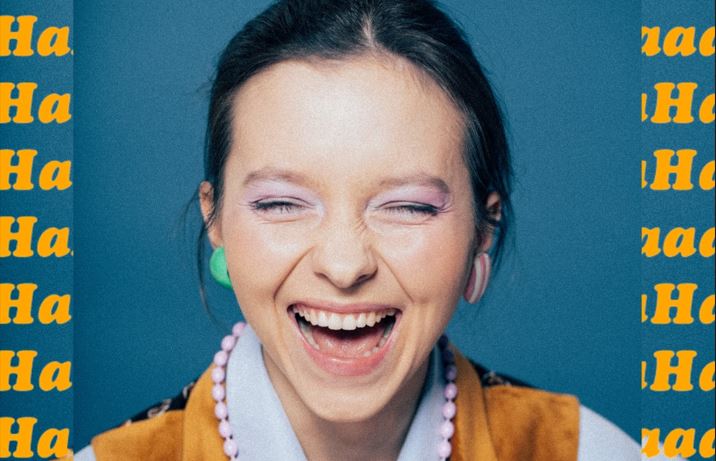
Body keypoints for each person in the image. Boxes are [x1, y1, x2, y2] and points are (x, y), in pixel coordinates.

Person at [72, 0, 654, 459]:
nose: (345, 264)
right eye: (281, 203)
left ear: (484, 228)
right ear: (216, 218)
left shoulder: (584, 451)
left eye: (408, 207)